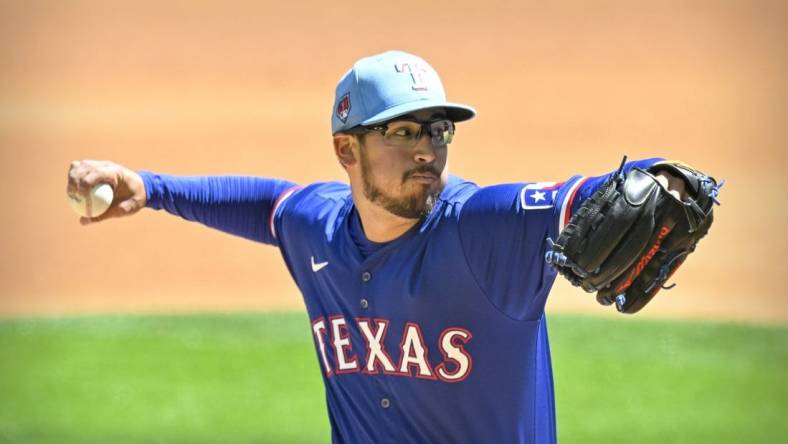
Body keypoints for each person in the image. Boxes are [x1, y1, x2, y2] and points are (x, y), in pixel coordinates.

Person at [67, 50, 693, 443]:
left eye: (436, 130)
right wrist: (150, 188)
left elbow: (586, 194)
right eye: (401, 131)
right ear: (346, 149)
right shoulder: (318, 229)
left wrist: (663, 180)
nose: (427, 149)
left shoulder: (482, 229)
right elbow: (266, 204)